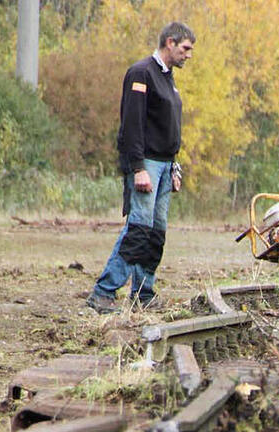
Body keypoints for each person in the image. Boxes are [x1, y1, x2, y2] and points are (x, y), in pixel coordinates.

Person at [86, 22, 195, 314]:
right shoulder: (141, 73)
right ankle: (104, 291)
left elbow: (167, 128)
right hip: (146, 164)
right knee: (138, 229)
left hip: (165, 165)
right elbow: (131, 125)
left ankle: (143, 294)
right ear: (170, 43)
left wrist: (175, 168)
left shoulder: (167, 78)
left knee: (156, 232)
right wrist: (138, 168)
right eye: (185, 48)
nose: (189, 55)